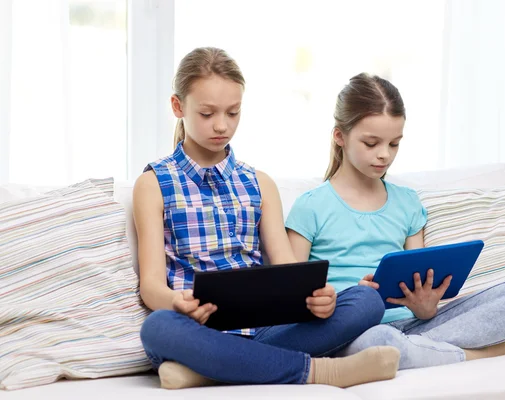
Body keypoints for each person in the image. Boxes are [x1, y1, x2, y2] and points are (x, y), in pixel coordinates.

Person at [132, 49, 400, 389]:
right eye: (207, 113)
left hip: (265, 328)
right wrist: (176, 303)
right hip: (196, 327)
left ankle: (206, 371)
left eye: (233, 112)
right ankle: (320, 371)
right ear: (177, 107)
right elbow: (151, 286)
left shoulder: (259, 183)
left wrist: (318, 298)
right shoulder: (154, 183)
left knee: (367, 301)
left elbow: (291, 274)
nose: (221, 125)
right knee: (156, 329)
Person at [285, 72, 505, 370]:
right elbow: (290, 297)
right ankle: (481, 353)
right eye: (371, 143)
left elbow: (419, 277)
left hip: (415, 325)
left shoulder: (407, 202)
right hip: (357, 334)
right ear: (340, 137)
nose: (384, 155)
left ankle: (423, 351)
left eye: (394, 144)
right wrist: (344, 301)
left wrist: (426, 306)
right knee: (382, 341)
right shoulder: (310, 207)